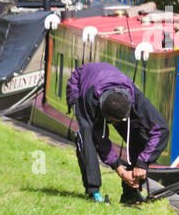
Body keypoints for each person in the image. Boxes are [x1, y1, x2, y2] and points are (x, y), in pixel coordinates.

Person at [66, 62, 169, 204]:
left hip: (111, 86)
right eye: (115, 121)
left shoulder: (135, 98)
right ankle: (93, 192)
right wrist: (119, 169)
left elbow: (162, 130)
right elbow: (102, 141)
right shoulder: (91, 102)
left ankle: (131, 192)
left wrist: (143, 162)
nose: (118, 124)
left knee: (139, 132)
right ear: (106, 116)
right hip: (82, 84)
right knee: (87, 136)